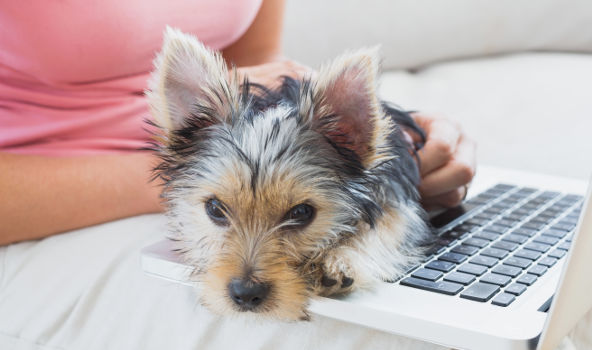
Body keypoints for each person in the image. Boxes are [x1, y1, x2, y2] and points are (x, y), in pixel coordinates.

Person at [0, 0, 475, 246]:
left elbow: (255, 70)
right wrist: (205, 185)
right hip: (49, 213)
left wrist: (375, 149)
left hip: (222, 184)